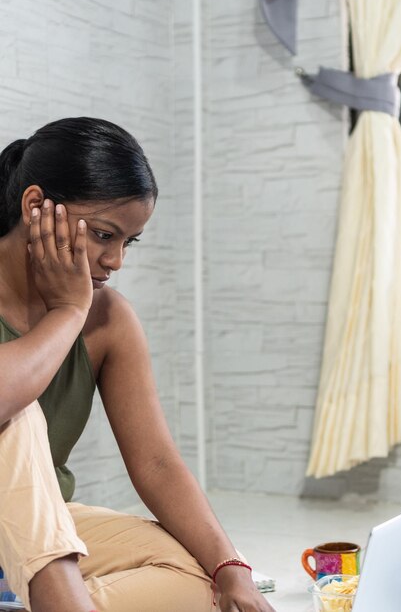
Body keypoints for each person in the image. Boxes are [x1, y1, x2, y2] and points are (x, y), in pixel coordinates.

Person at [0, 117, 276, 612]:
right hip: (36, 542)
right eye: (105, 234)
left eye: (129, 241)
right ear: (36, 205)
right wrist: (67, 313)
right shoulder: (81, 310)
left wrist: (232, 567)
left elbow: (156, 462)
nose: (116, 261)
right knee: (18, 411)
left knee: (200, 574)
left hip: (38, 528)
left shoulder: (110, 319)